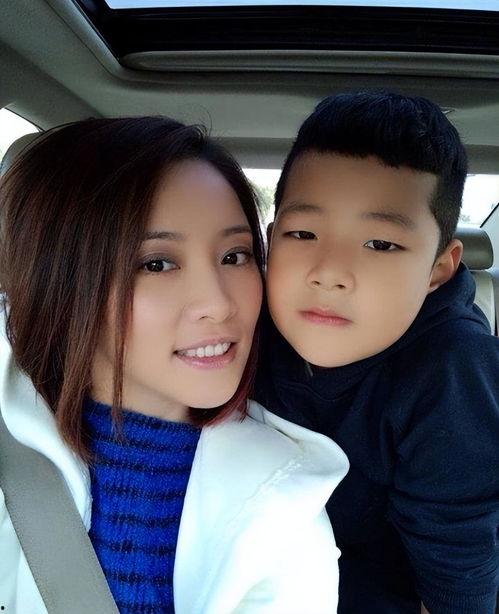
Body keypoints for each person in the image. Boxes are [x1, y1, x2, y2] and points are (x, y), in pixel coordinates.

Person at [0, 117, 349, 614]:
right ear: (60, 282)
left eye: (235, 256)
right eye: (157, 264)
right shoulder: (12, 454)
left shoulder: (288, 505)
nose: (219, 304)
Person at [256, 92, 499, 613]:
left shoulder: (453, 372)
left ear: (438, 268)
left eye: (381, 244)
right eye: (303, 233)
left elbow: (456, 562)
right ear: (272, 242)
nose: (329, 273)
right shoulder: (240, 326)